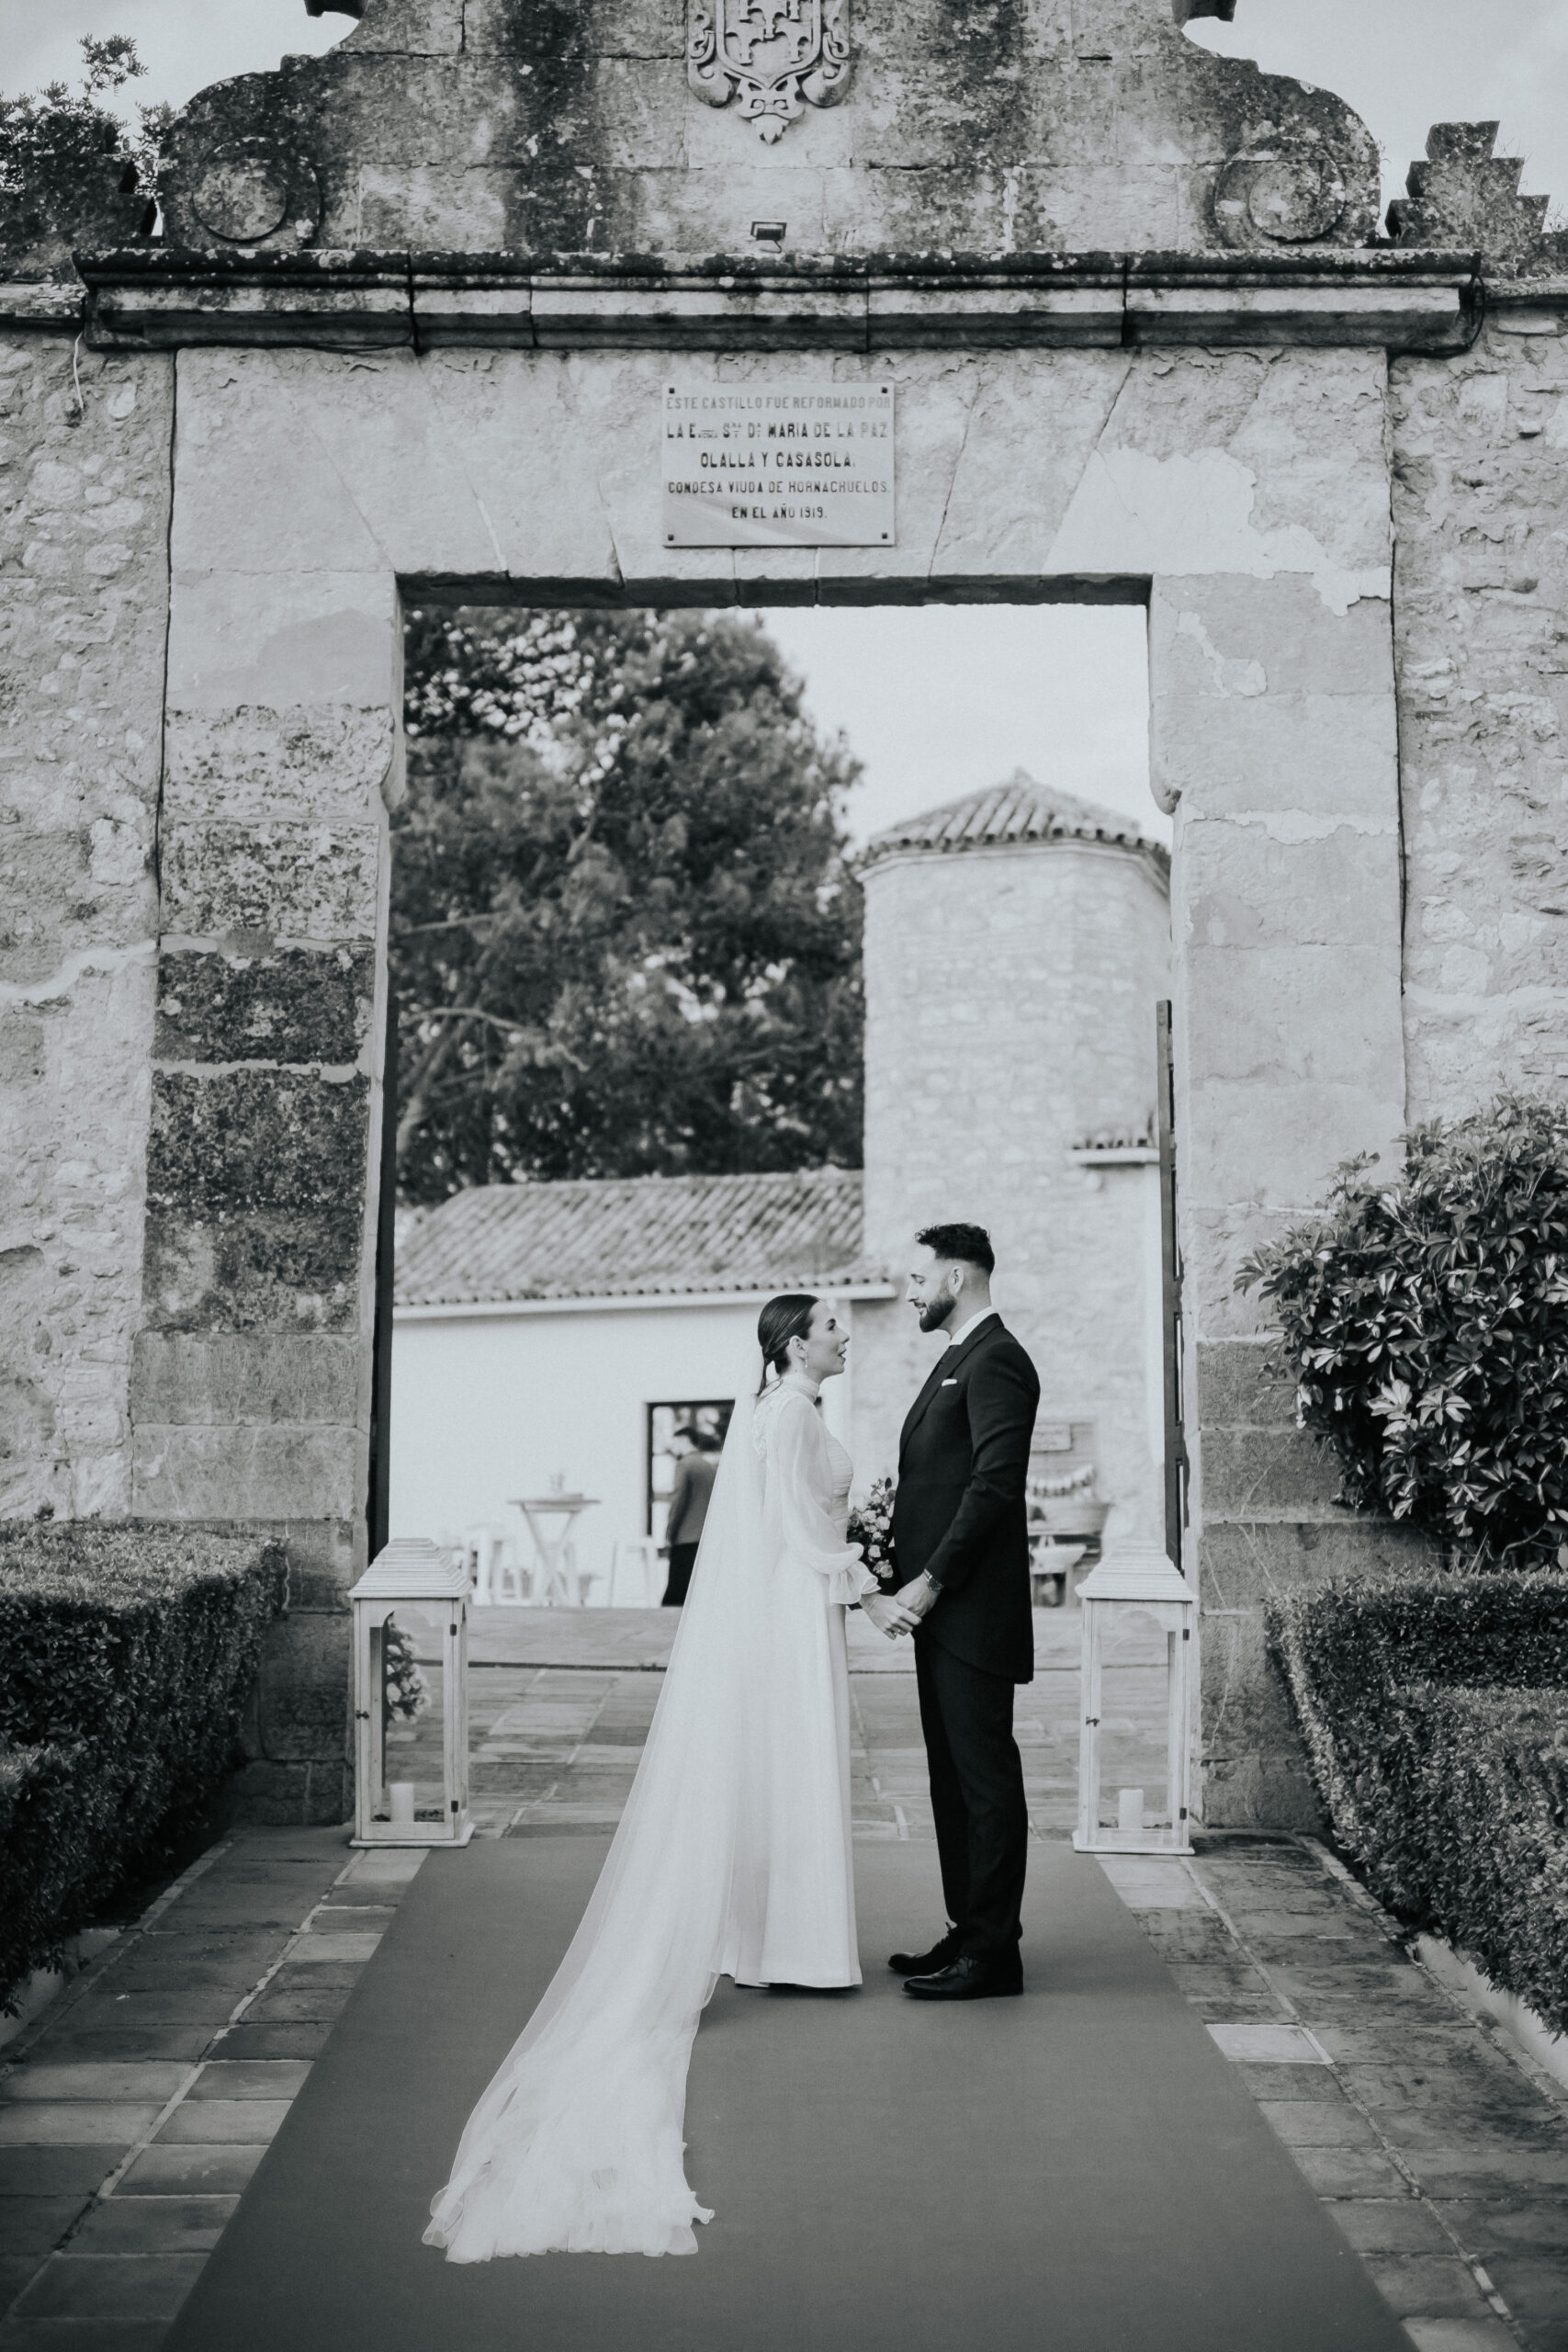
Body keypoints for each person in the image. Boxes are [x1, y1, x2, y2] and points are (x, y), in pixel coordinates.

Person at [423, 1293, 882, 2261]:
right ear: (795, 1344)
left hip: (788, 1602)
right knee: (797, 1769)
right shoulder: (792, 1414)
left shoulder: (778, 1410)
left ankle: (774, 1939)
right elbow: (798, 1528)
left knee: (785, 1773)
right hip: (797, 1604)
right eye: (832, 1326)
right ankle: (797, 1943)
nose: (845, 1335)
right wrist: (866, 1577)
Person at [881, 1223, 1041, 2001]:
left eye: (918, 1279)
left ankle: (993, 1955)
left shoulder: (997, 1358)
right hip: (942, 1617)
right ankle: (966, 1929)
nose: (908, 1292)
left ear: (955, 1277)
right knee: (949, 1780)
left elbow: (992, 1485)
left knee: (983, 1782)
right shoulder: (956, 1358)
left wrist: (931, 1579)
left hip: (970, 1610)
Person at [660, 1422, 721, 1605]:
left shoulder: (685, 1465)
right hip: (705, 1537)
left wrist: (669, 1533)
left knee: (675, 1594)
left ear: (683, 1440)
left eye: (676, 1442)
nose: (674, 1448)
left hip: (685, 1537)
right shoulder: (708, 1467)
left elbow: (678, 1501)